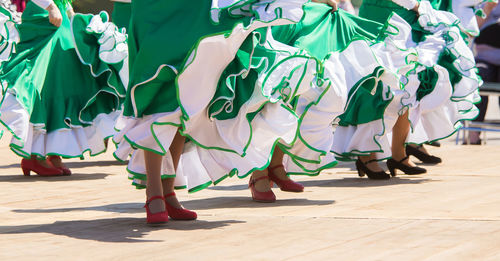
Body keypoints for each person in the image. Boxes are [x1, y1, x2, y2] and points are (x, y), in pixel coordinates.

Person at [0, 0, 126, 176]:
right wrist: (50, 6)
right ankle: (35, 155)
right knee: (39, 81)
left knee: (60, 82)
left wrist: (66, 8)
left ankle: (51, 151)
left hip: (58, 16)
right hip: (44, 18)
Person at [468, 2, 500, 144]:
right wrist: (487, 9)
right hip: (484, 58)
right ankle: (473, 135)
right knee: (479, 78)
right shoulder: (482, 3)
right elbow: (472, 29)